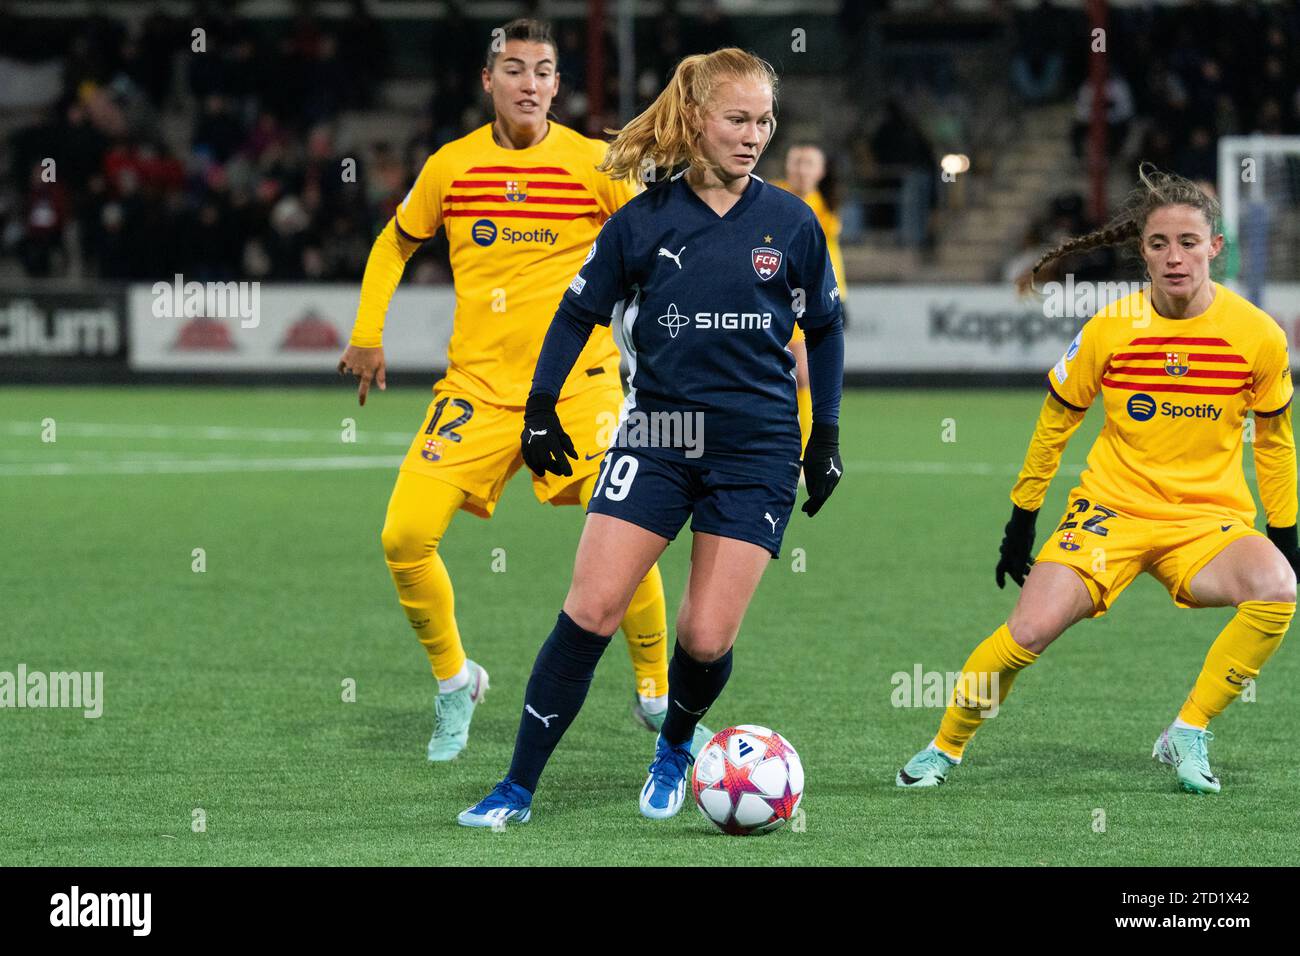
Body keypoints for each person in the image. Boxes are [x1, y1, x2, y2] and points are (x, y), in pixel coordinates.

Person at [458, 47, 846, 827]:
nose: (753, 136)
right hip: (659, 435)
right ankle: (516, 787)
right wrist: (540, 409)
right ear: (697, 119)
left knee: (703, 636)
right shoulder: (643, 221)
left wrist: (825, 434)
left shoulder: (792, 223)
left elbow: (826, 326)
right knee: (591, 609)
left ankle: (673, 748)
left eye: (764, 120)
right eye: (737, 119)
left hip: (757, 447)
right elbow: (576, 313)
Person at [337, 18, 699, 764]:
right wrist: (368, 331)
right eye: (513, 69)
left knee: (626, 533)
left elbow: (656, 251)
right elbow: (397, 239)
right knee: (403, 538)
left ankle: (657, 688)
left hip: (579, 389)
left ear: (557, 86)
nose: (529, 83)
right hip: (476, 387)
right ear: (487, 81)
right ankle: (454, 683)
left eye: (542, 71)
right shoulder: (451, 166)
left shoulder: (596, 164)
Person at [897, 165, 1298, 794]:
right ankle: (944, 747)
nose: (1174, 258)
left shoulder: (1258, 336)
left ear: (1215, 247)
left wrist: (1286, 530)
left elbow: (1275, 443)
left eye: (1189, 242)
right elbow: (1055, 423)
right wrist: (1021, 516)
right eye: (1159, 243)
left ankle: (1188, 730)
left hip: (1206, 522)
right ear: (1141, 249)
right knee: (1027, 632)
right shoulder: (1111, 329)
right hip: (1111, 511)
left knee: (1278, 588)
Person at [773, 142, 848, 456]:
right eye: (796, 162)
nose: (801, 169)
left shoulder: (823, 208)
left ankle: (804, 450)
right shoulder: (773, 195)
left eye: (808, 163)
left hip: (810, 299)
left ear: (820, 171)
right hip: (778, 295)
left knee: (804, 374)